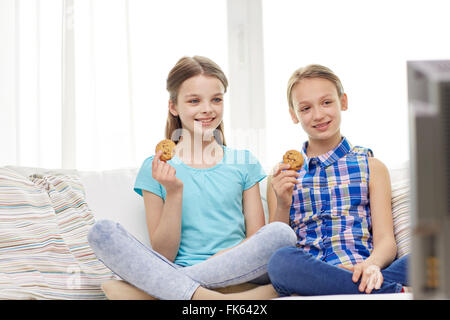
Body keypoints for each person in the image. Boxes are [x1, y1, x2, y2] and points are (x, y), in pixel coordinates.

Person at [87, 55, 297, 300]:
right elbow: (163, 253)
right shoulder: (156, 167)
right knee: (101, 232)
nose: (207, 109)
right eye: (194, 101)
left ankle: (164, 288)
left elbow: (256, 240)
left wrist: (224, 258)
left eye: (216, 99)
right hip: (176, 264)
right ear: (174, 106)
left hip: (239, 269)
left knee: (282, 234)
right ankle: (207, 297)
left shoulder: (244, 162)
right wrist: (174, 192)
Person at [266, 64, 410, 296]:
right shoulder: (281, 175)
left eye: (326, 102)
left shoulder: (372, 166)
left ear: (343, 101)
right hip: (311, 271)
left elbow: (386, 241)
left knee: (432, 253)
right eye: (305, 108)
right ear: (294, 115)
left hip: (365, 268)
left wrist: (370, 265)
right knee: (280, 261)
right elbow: (275, 246)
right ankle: (393, 291)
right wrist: (283, 203)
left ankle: (359, 285)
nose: (319, 114)